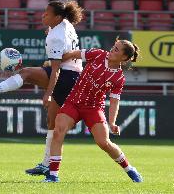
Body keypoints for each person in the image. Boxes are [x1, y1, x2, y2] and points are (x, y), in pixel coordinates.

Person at [0, 0, 84, 176]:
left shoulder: (55, 37)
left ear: (57, 17)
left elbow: (56, 70)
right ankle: (46, 164)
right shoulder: (65, 24)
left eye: (47, 14)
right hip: (73, 76)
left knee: (26, 72)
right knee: (52, 122)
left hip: (65, 77)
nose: (43, 15)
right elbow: (59, 46)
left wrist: (48, 94)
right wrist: (50, 29)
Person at [42, 38, 143, 183]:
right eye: (113, 46)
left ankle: (130, 169)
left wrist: (112, 122)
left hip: (94, 108)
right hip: (73, 102)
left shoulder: (118, 78)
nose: (111, 50)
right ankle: (53, 176)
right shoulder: (97, 54)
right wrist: (54, 64)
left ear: (125, 57)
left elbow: (114, 101)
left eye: (116, 49)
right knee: (58, 132)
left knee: (104, 143)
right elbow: (72, 54)